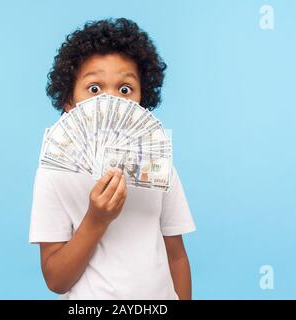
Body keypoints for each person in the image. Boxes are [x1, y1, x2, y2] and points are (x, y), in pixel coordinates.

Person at [29, 18, 196, 299]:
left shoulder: (158, 166)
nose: (111, 101)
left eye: (125, 89)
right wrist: (96, 219)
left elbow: (177, 257)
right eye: (94, 88)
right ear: (69, 103)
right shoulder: (53, 173)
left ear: (142, 103)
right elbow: (56, 279)